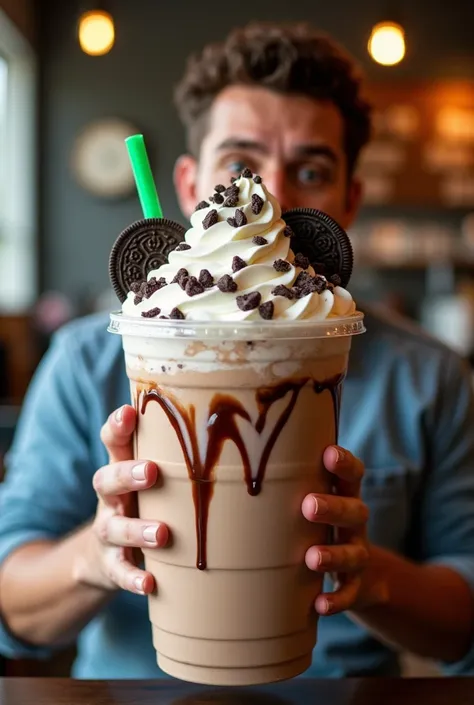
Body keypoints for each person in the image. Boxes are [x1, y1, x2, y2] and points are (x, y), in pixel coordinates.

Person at [0, 22, 473, 679]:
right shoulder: (85, 361)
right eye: (242, 167)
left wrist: (374, 575)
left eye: (311, 169)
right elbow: (9, 604)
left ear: (350, 200)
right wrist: (95, 551)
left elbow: (466, 621)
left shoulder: (433, 377)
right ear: (191, 187)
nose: (274, 198)